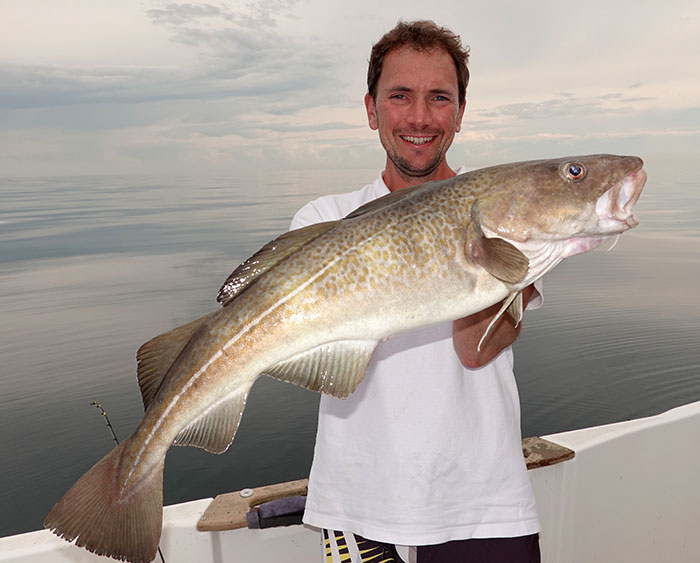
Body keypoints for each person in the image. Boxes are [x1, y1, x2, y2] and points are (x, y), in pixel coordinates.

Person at [290, 20, 542, 563]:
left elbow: (475, 352)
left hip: (483, 504)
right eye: (400, 96)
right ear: (371, 108)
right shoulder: (325, 221)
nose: (420, 117)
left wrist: (506, 252)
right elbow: (318, 362)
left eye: (439, 98)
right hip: (359, 505)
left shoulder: (503, 213)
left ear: (460, 110)